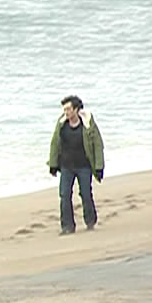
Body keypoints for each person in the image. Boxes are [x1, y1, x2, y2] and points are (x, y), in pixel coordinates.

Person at [48, 95, 104, 235]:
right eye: (64, 110)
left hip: (84, 165)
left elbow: (98, 145)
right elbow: (55, 143)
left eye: (68, 109)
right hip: (66, 166)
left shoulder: (88, 125)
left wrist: (99, 167)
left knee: (85, 193)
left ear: (76, 110)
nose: (66, 112)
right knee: (64, 195)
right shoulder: (62, 124)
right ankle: (67, 226)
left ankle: (90, 221)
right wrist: (53, 164)